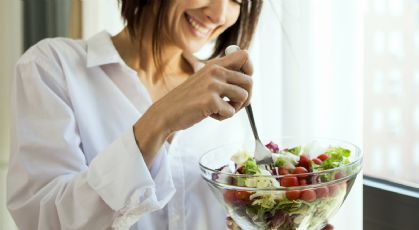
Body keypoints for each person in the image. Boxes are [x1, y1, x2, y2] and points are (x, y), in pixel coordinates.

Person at [7, 0, 263, 229]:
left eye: (237, 0)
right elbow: (43, 222)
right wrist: (159, 119)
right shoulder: (52, 67)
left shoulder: (225, 95)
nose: (219, 14)